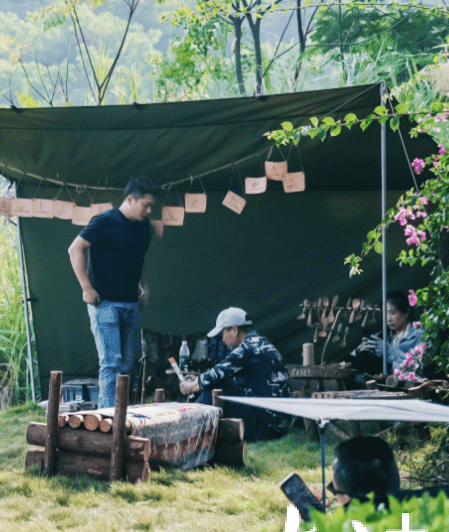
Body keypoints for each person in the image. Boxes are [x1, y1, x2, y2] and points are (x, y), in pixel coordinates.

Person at [67, 177, 157, 408]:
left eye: (151, 206)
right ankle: (108, 420)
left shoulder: (143, 227)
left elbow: (137, 259)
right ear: (130, 199)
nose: (149, 210)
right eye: (145, 205)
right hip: (104, 303)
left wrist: (143, 284)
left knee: (127, 365)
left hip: (130, 304)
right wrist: (86, 287)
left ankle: (124, 418)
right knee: (111, 363)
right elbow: (75, 248)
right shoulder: (104, 221)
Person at [179, 307, 292, 442]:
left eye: (223, 332)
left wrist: (190, 387)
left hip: (267, 426)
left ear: (234, 329)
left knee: (212, 387)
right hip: (278, 423)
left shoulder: (248, 349)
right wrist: (198, 380)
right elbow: (226, 375)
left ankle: (185, 429)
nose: (222, 338)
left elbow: (216, 374)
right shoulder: (261, 343)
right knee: (217, 383)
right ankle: (192, 427)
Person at [351, 290, 424, 375]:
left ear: (406, 312)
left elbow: (420, 368)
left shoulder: (419, 335)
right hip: (377, 381)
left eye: (392, 313)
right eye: (385, 314)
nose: (388, 319)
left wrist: (389, 350)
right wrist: (361, 349)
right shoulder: (382, 335)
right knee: (357, 358)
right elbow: (354, 356)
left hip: (403, 381)